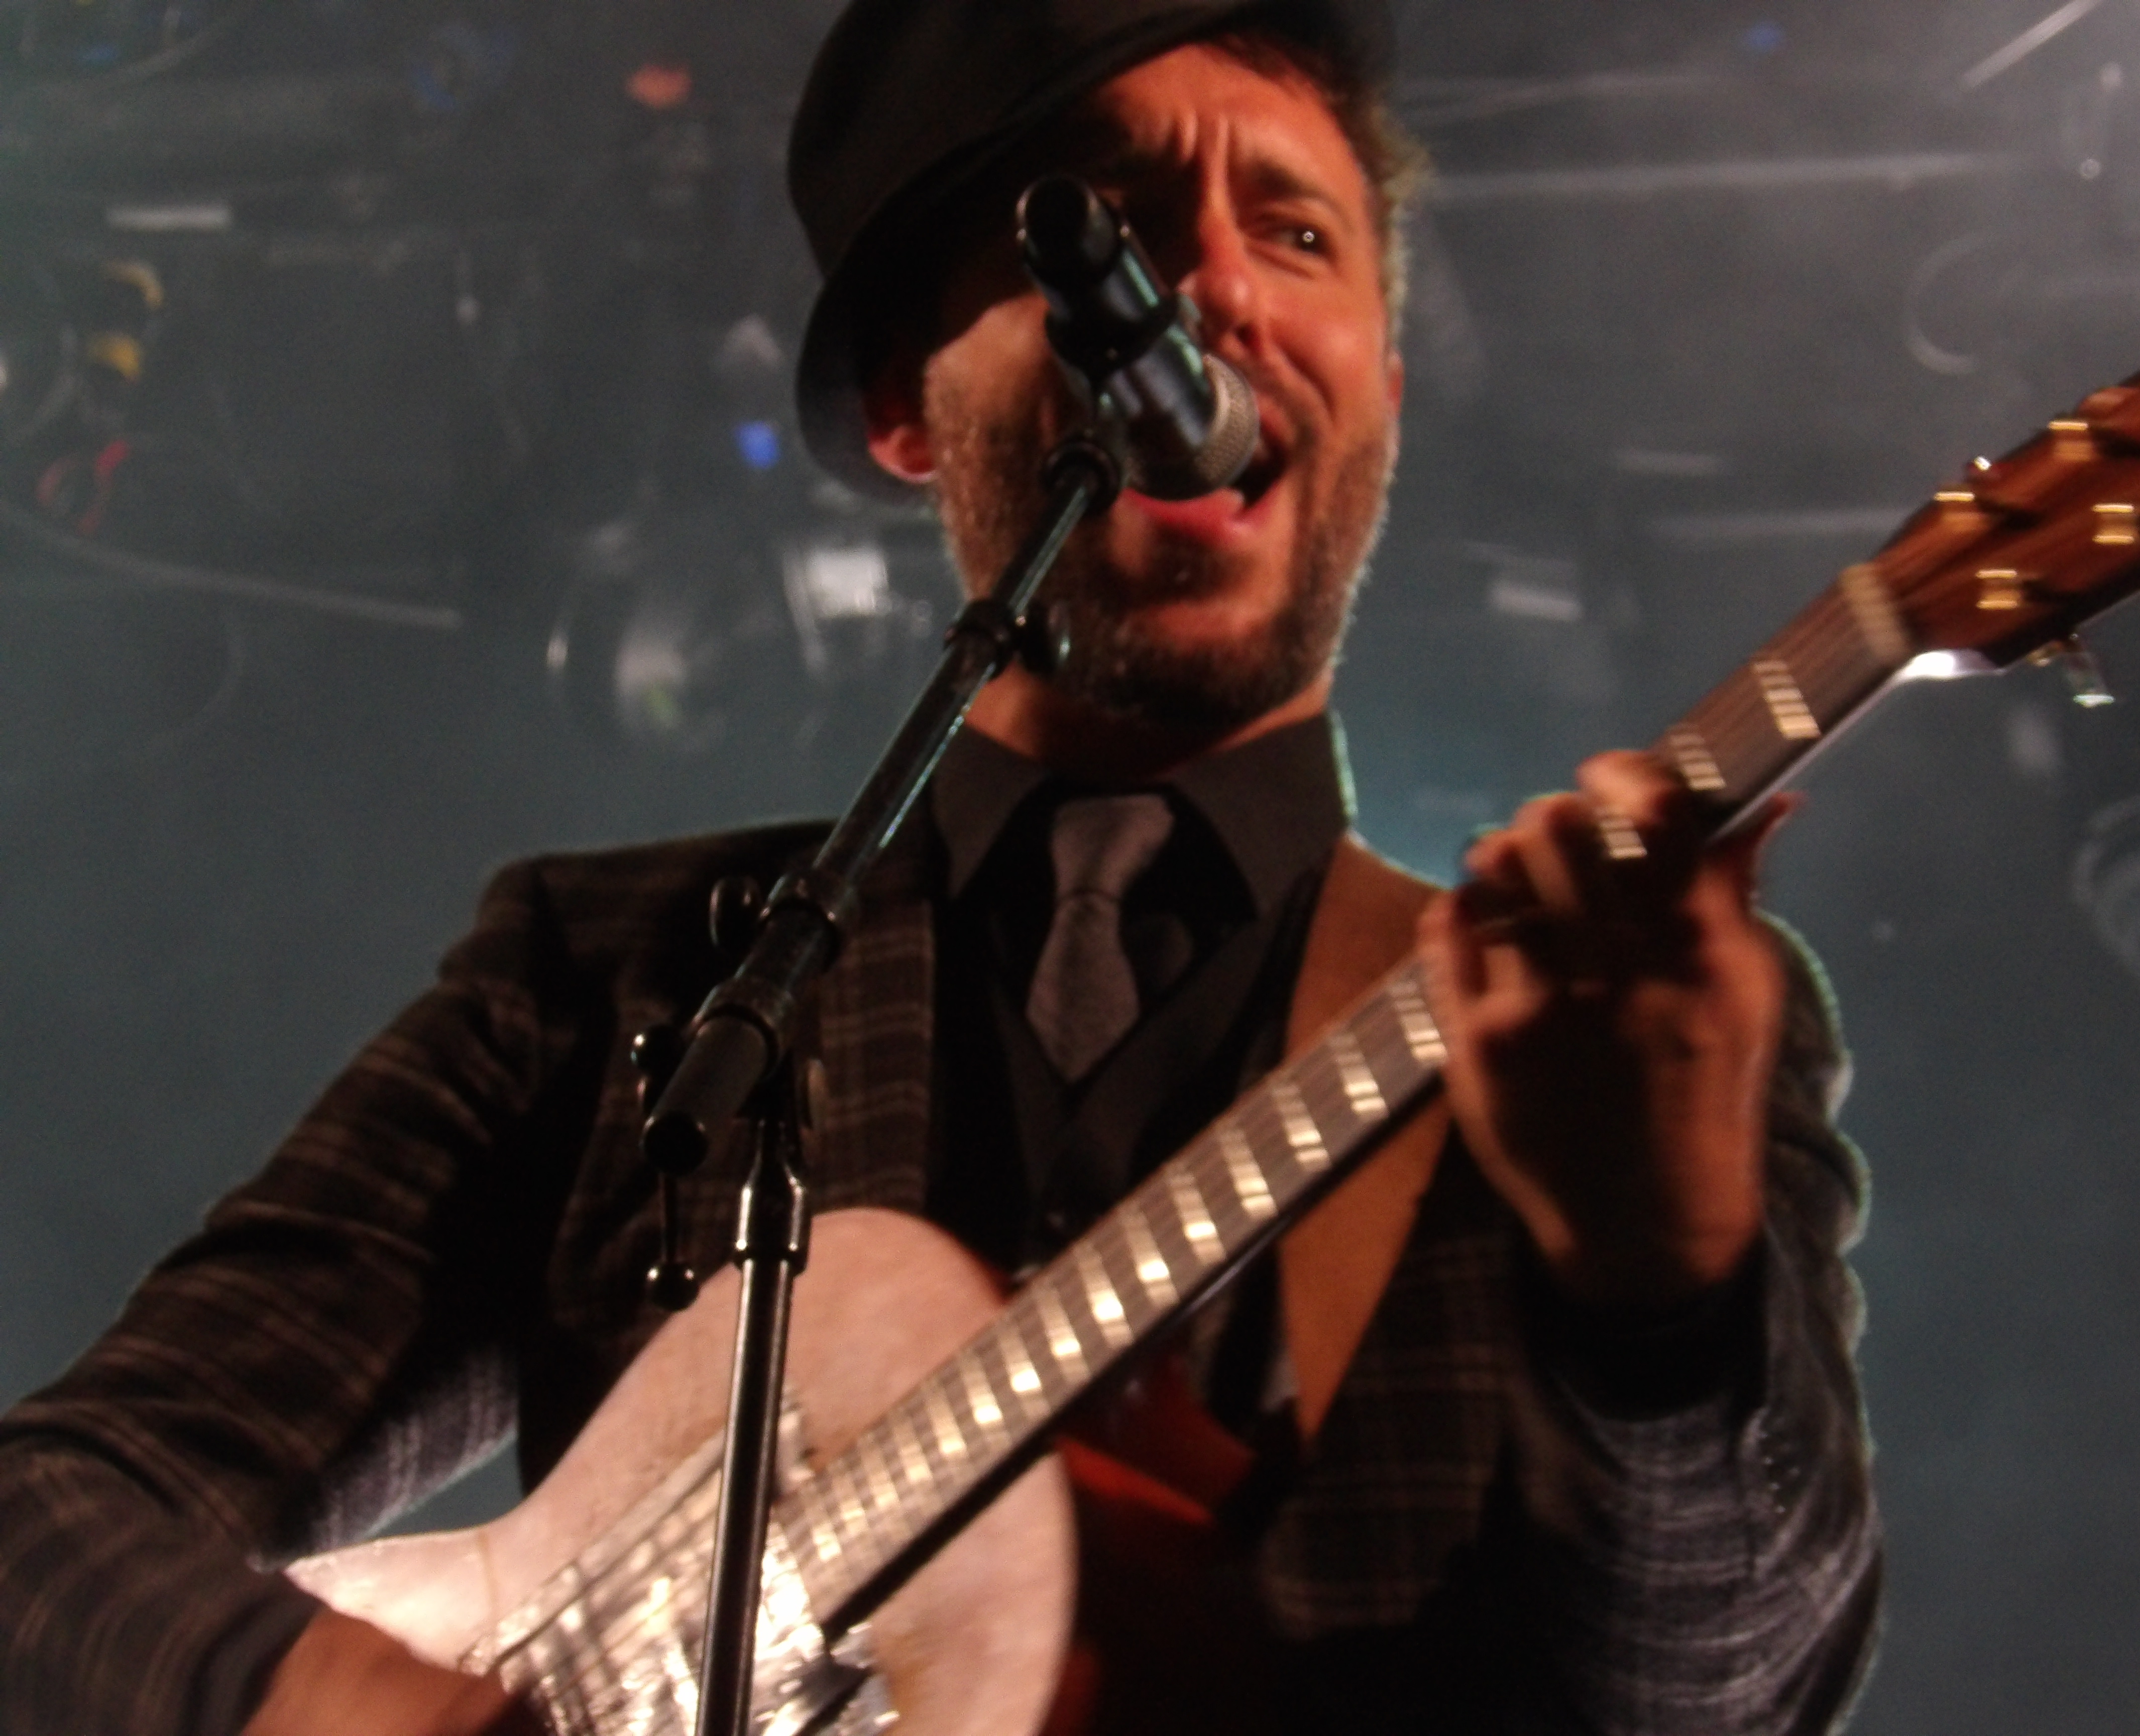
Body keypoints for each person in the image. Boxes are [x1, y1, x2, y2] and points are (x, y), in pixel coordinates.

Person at [0, 2, 1882, 1732]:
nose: (1212, 292)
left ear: (1379, 380)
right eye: (1116, 230)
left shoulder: (1623, 1027)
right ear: (910, 399)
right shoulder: (617, 975)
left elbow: (1721, 1698)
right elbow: (50, 1517)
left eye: (1299, 234)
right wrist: (314, 1698)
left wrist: (1660, 1283)